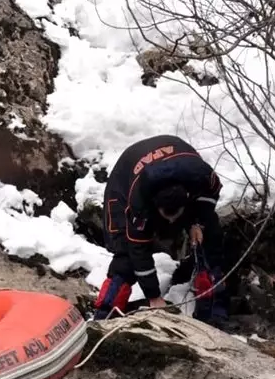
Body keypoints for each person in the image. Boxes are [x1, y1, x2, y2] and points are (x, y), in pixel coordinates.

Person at [93, 134, 227, 325]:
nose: (172, 221)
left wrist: (198, 223)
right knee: (126, 253)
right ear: (154, 207)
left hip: (180, 160)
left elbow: (210, 195)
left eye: (176, 216)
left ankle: (213, 312)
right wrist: (154, 296)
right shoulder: (139, 201)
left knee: (209, 238)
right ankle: (104, 315)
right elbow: (138, 250)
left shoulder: (202, 176)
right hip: (125, 178)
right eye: (166, 216)